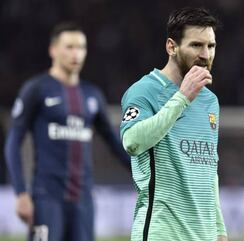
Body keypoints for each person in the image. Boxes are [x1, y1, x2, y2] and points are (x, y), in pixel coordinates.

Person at [5, 22, 130, 241]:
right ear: (53, 50)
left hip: (83, 201)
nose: (76, 53)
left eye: (81, 47)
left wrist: (148, 175)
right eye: (69, 47)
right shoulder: (36, 89)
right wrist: (21, 192)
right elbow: (13, 142)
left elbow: (115, 143)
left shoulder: (92, 95)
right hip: (46, 199)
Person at [120, 7, 228, 241]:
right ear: (172, 46)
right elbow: (132, 142)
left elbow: (209, 172)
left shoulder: (210, 101)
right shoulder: (144, 91)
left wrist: (219, 230)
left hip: (204, 235)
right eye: (196, 45)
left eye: (211, 46)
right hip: (162, 233)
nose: (206, 54)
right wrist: (182, 98)